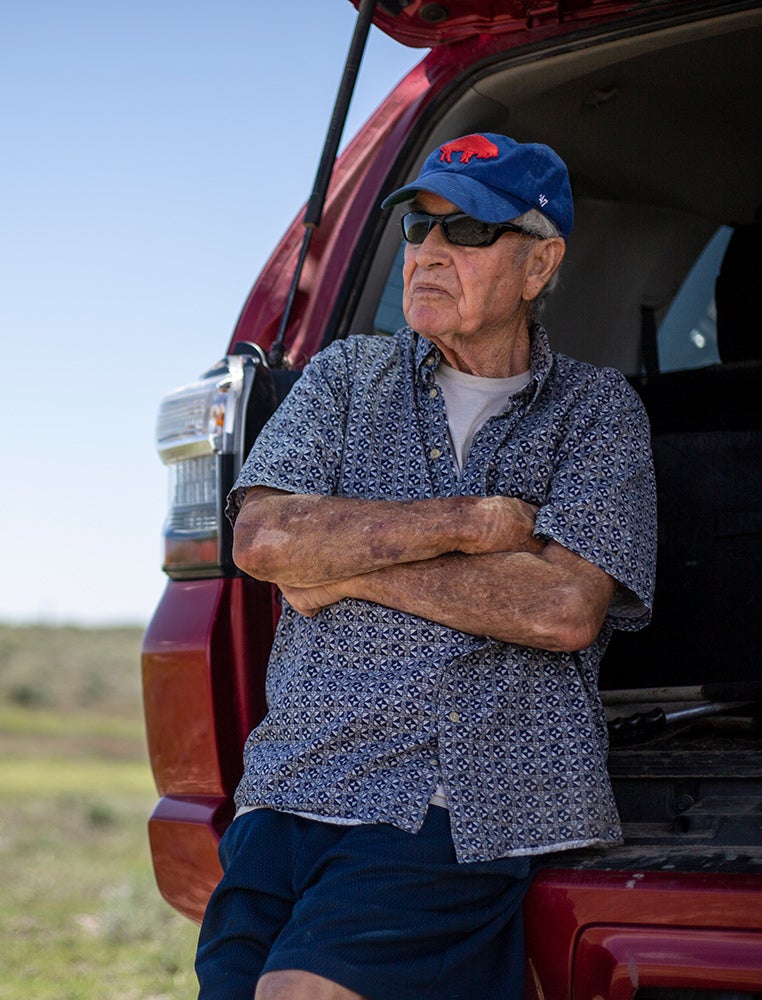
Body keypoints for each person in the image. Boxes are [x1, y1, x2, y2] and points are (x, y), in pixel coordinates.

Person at [193, 134, 657, 1000]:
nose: (430, 253)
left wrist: (338, 563)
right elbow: (261, 541)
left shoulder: (595, 411)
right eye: (418, 226)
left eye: (469, 232)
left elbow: (563, 608)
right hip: (289, 782)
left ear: (540, 263)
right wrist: (474, 524)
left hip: (453, 801)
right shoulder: (344, 377)